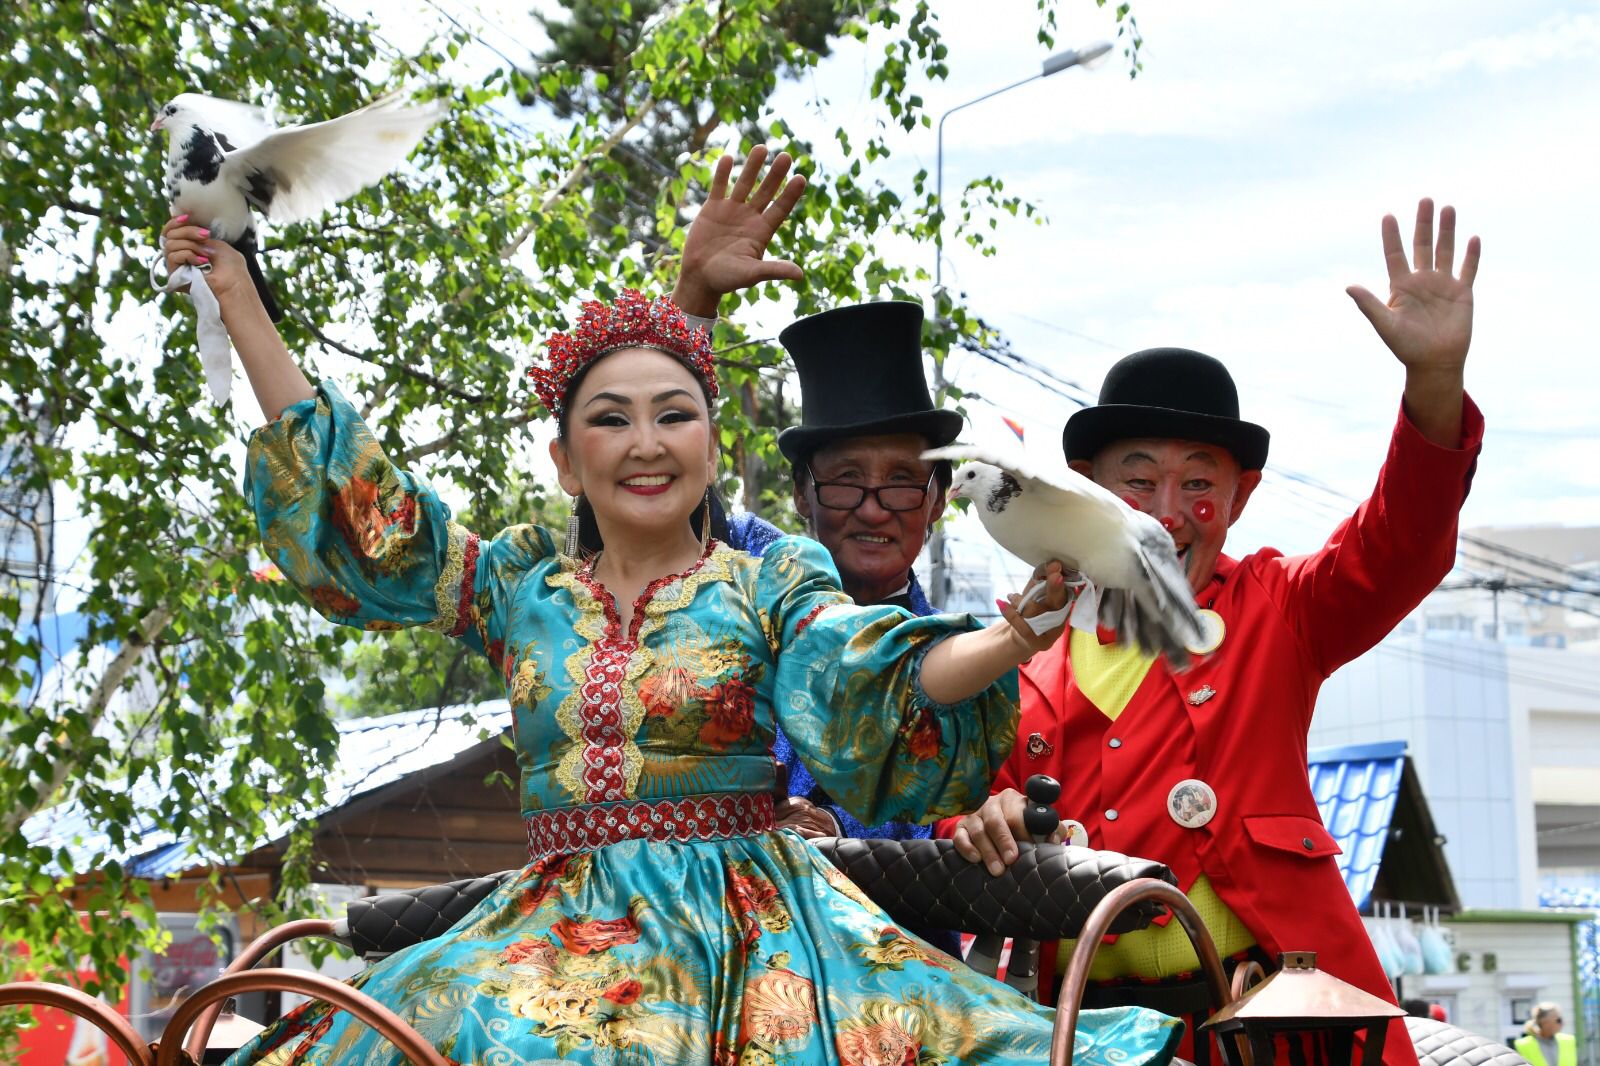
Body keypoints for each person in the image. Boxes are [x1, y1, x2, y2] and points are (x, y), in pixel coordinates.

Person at [158, 149, 1181, 1066]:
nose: (646, 442)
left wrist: (1009, 634)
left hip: (749, 944)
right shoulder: (521, 585)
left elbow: (873, 669)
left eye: (674, 416)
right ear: (566, 461)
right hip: (550, 939)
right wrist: (239, 295)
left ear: (710, 447)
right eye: (611, 420)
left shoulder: (767, 582)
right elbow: (373, 518)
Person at [943, 199, 1484, 1066]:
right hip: (1080, 1031)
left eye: (1199, 483)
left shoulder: (1280, 609)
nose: (1166, 514)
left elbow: (1403, 544)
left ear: (1240, 497)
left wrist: (1434, 383)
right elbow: (955, 809)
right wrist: (984, 818)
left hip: (1272, 1025)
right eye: (1138, 481)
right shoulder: (1019, 644)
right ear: (1084, 487)